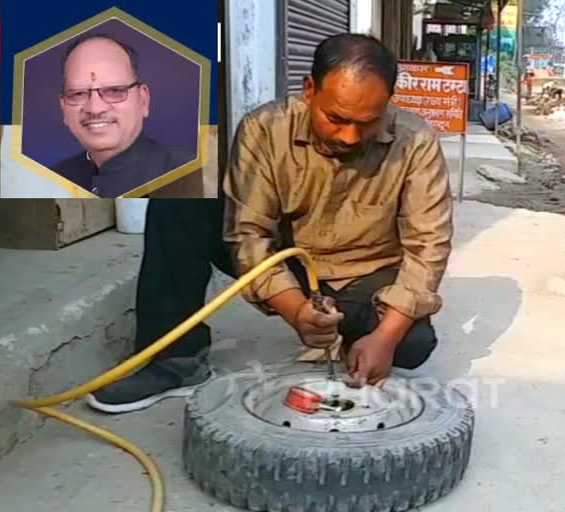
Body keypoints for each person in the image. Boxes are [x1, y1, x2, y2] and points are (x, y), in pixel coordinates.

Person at [85, 34, 453, 414]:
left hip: (362, 275)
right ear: (309, 90)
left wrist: (386, 338)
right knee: (182, 196)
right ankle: (174, 361)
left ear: (388, 103)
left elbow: (429, 248)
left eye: (367, 122)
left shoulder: (416, 143)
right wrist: (296, 309)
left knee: (411, 345)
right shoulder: (264, 128)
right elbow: (248, 233)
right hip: (283, 262)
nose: (349, 136)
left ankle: (350, 338)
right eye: (337, 119)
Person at [52, 34, 194, 197]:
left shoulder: (189, 175)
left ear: (143, 100)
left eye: (114, 91)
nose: (95, 108)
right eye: (77, 94)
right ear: (63, 107)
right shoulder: (48, 180)